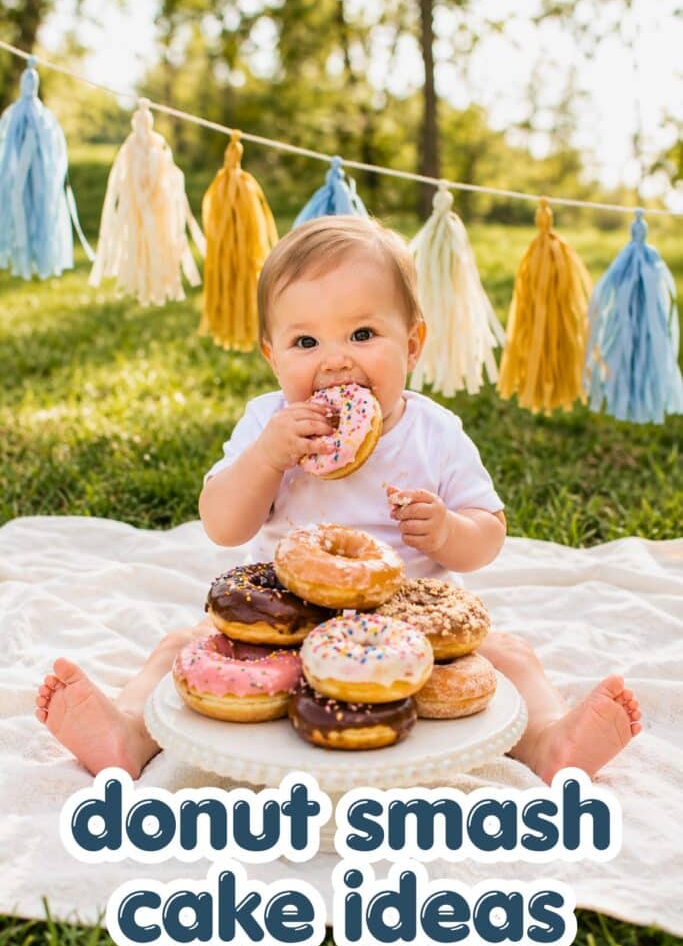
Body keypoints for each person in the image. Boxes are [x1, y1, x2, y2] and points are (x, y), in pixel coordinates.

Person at [35, 216, 641, 782]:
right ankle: (129, 737)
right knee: (179, 648)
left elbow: (490, 531)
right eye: (305, 342)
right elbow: (221, 523)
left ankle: (547, 743)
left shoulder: (434, 432)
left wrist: (449, 531)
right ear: (272, 355)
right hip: (283, 623)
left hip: (411, 627)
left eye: (362, 333)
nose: (335, 360)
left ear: (412, 344)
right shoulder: (269, 424)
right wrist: (268, 458)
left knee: (510, 653)